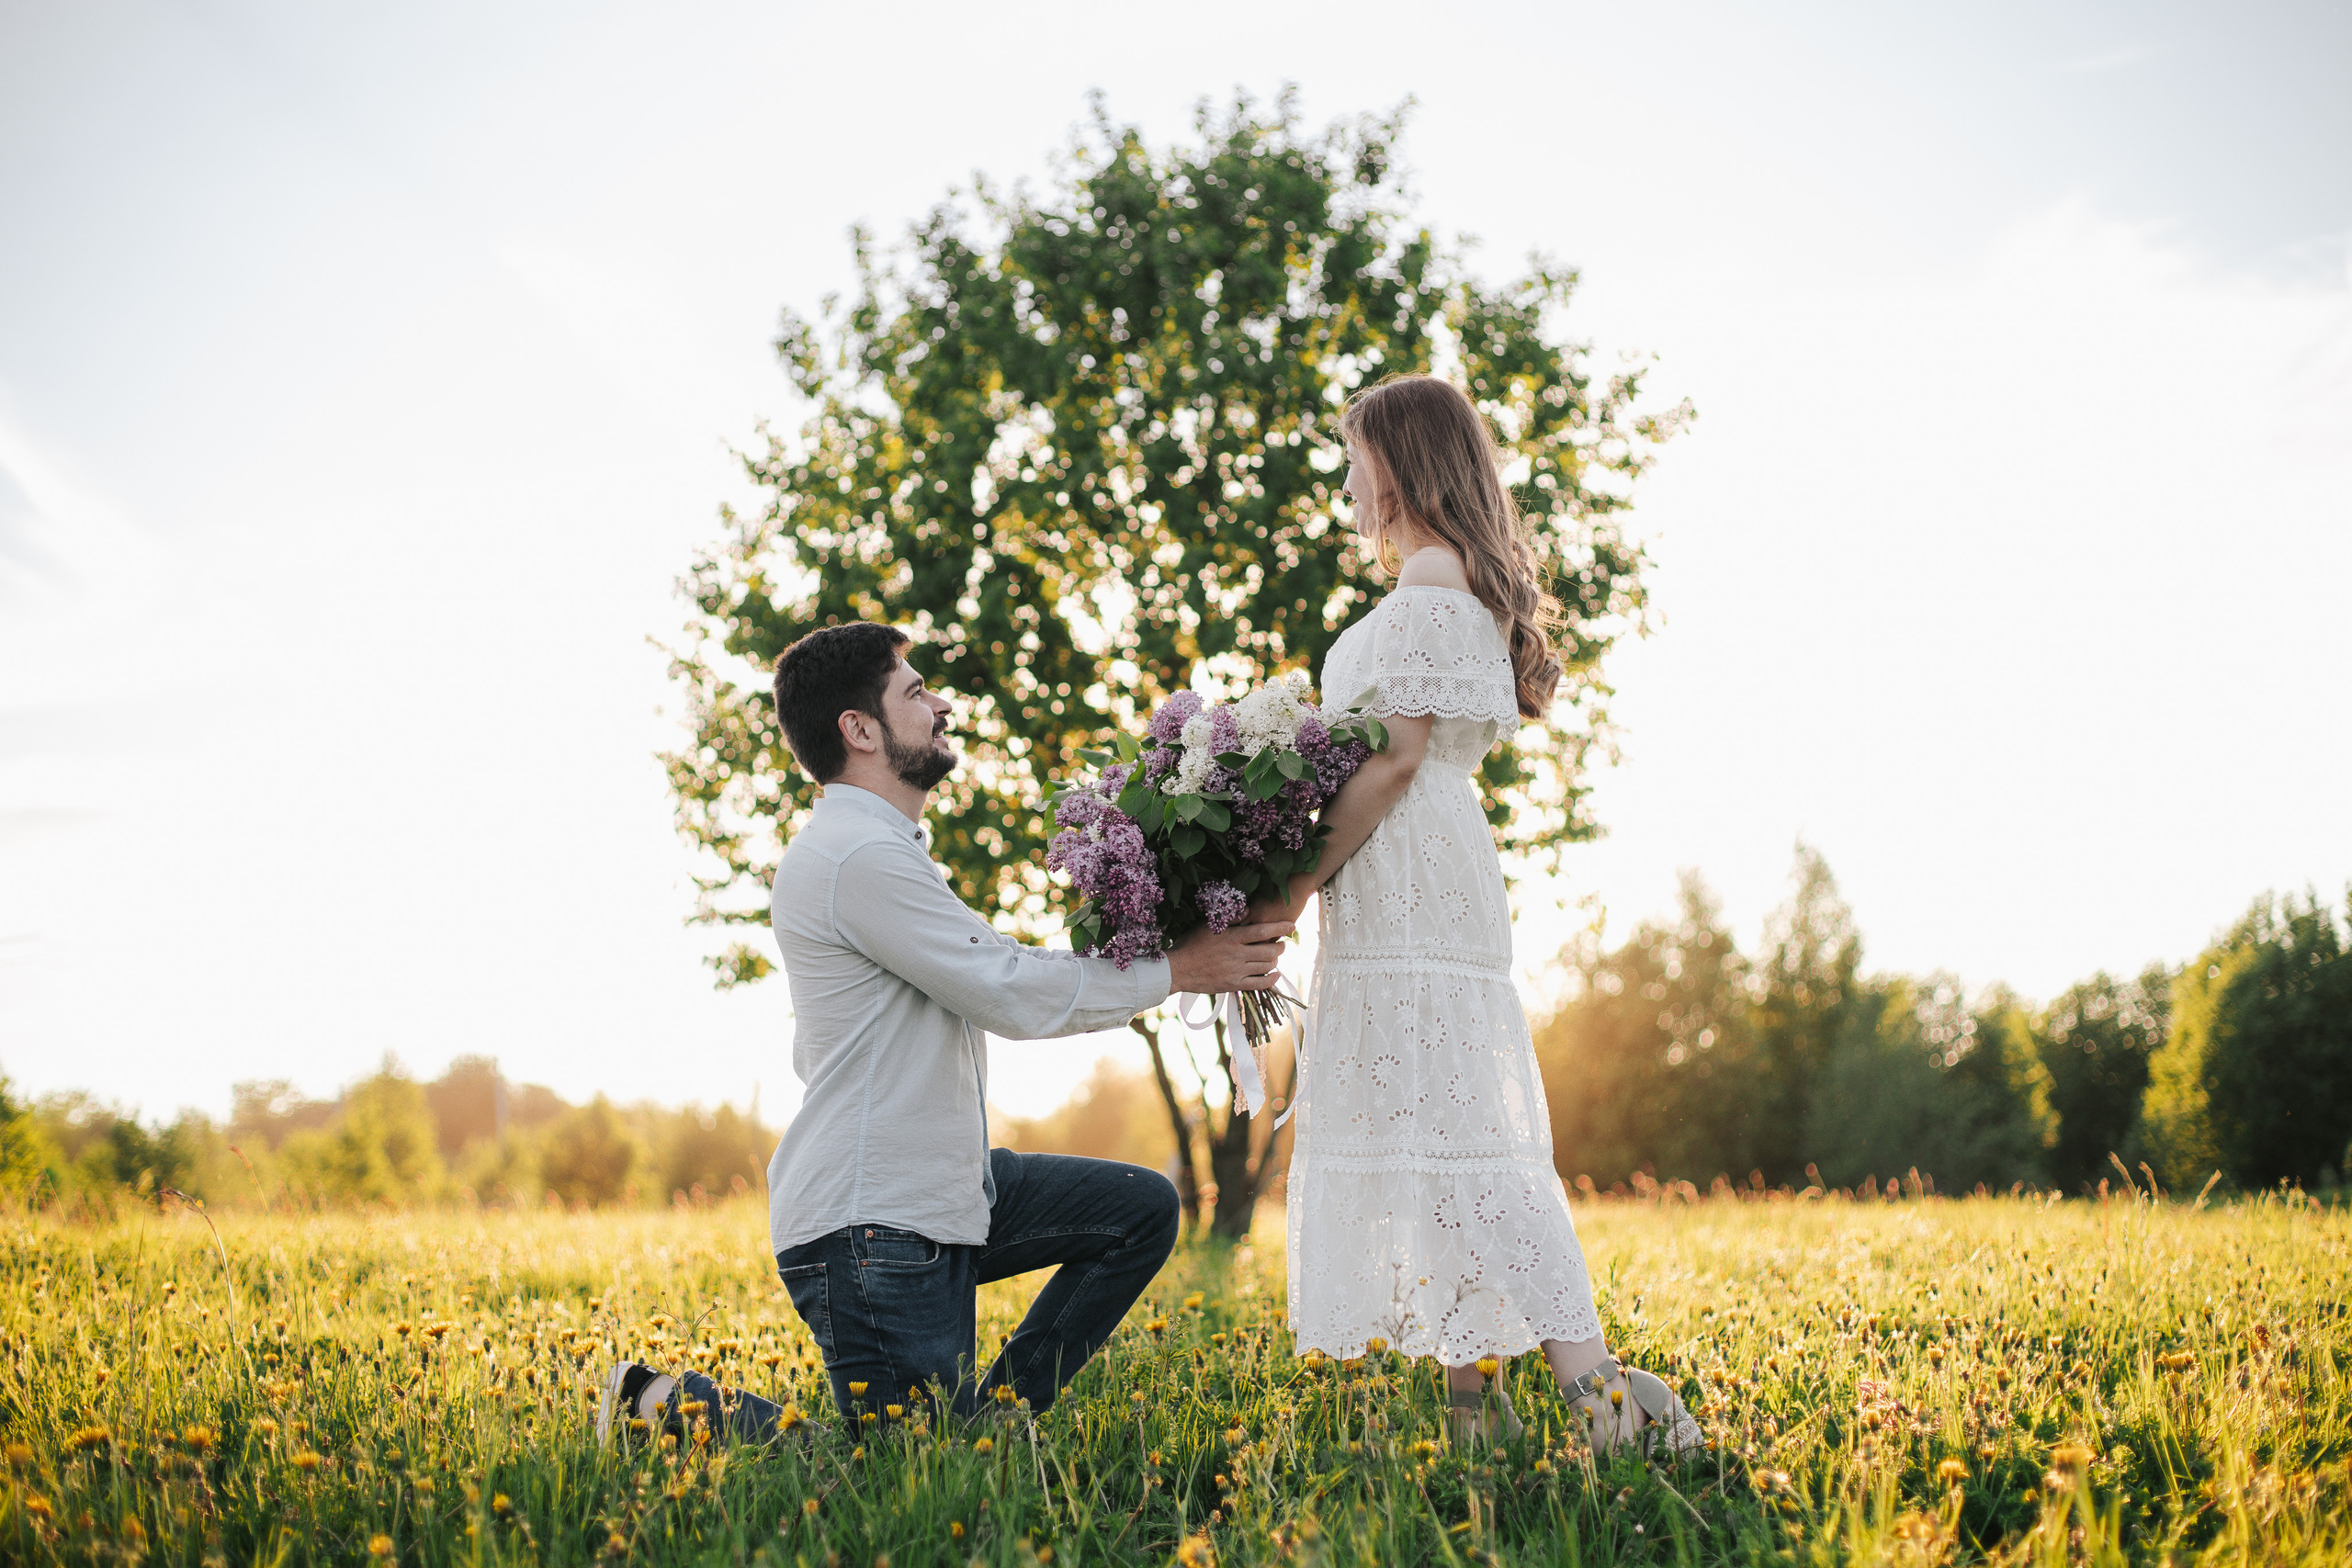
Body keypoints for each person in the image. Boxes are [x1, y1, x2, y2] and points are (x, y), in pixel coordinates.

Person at [598, 621, 1292, 1448]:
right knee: (910, 1469)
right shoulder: (856, 855)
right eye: (916, 692)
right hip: (874, 1220)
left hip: (944, 1187)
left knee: (1138, 1210)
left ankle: (998, 1421)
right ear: (859, 729)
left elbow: (1000, 965)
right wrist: (1177, 969)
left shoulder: (889, 851)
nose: (942, 707)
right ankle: (660, 1401)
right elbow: (1005, 987)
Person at [1256, 375, 1702, 1455]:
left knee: (1463, 1135)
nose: (1347, 482)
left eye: (1356, 458)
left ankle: (1604, 1399)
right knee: (1434, 1131)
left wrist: (1291, 885)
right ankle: (1474, 1407)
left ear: (1400, 463)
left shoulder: (1427, 587)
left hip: (1410, 872)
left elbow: (1397, 757)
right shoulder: (1442, 580)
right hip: (1406, 873)